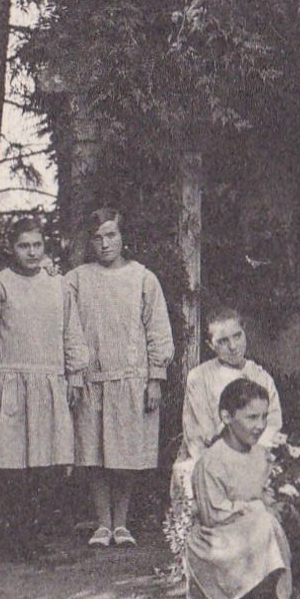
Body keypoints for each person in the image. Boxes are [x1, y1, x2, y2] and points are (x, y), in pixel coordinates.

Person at [63, 207, 175, 547]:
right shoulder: (77, 279)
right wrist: (75, 372)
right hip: (91, 378)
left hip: (131, 378)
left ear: (123, 237)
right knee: (94, 453)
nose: (104, 244)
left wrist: (156, 376)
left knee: (126, 454)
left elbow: (157, 328)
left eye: (110, 235)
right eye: (97, 238)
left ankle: (122, 523)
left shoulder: (143, 278)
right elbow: (68, 327)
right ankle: (103, 523)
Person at [0, 217, 73, 557]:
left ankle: (34, 535)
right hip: (10, 382)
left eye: (37, 245)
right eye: (24, 245)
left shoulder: (59, 286)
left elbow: (72, 332)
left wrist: (75, 376)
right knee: (12, 466)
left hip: (49, 381)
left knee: (46, 463)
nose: (31, 252)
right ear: (11, 248)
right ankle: (12, 538)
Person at [167, 307, 283, 566]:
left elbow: (272, 426)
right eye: (222, 341)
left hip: (253, 458)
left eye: (237, 336)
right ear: (210, 345)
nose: (232, 346)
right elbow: (199, 433)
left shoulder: (260, 377)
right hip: (212, 461)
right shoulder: (199, 378)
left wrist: (253, 459)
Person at [185, 377, 293, 599]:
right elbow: (212, 515)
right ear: (227, 417)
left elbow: (263, 495)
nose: (259, 426)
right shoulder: (212, 460)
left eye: (263, 417)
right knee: (264, 522)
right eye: (251, 417)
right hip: (217, 540)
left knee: (273, 522)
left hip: (249, 533)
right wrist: (255, 509)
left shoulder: (260, 455)